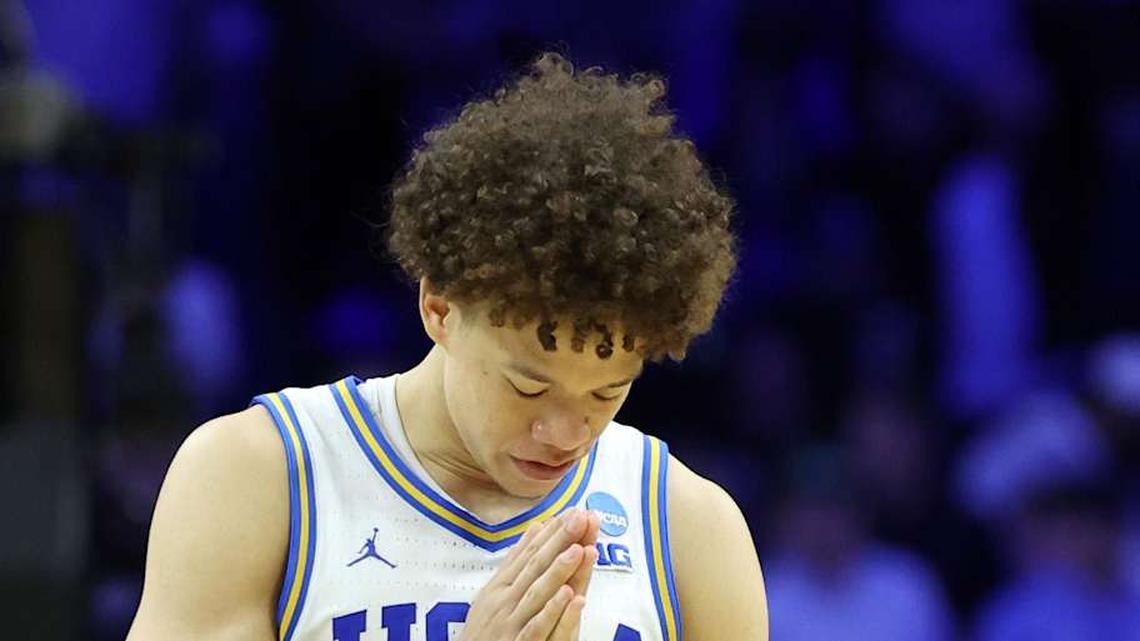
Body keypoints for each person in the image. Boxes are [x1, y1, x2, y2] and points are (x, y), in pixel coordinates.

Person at [126, 53, 768, 641]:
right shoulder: (260, 475)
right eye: (528, 386)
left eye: (607, 393)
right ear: (439, 306)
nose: (566, 431)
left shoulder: (688, 527)